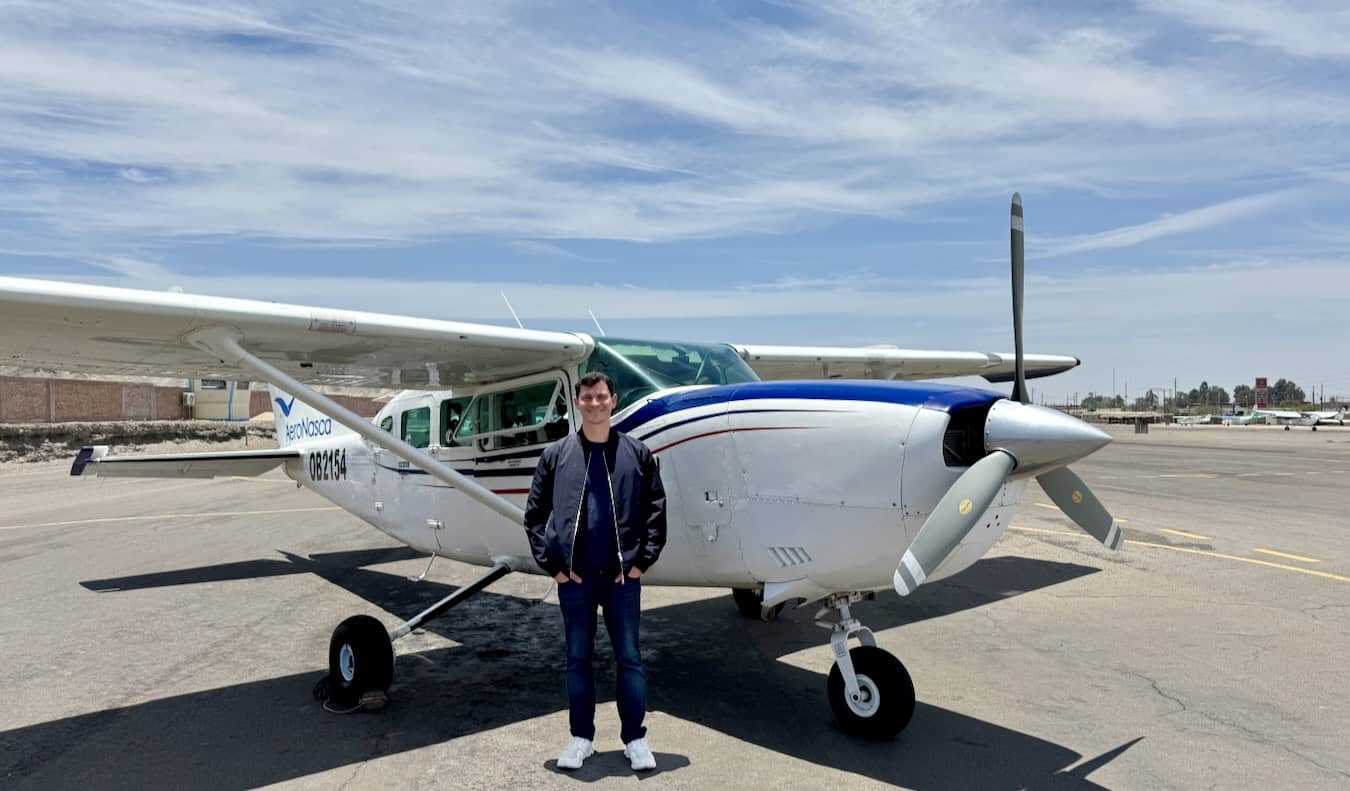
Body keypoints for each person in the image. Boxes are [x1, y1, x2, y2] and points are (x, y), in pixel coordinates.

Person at [523, 371, 667, 772]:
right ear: (577, 403)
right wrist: (554, 567)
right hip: (576, 580)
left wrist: (641, 563)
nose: (594, 404)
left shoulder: (637, 453)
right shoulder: (556, 455)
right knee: (577, 660)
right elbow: (534, 516)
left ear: (613, 400)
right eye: (587, 398)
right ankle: (581, 738)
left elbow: (656, 510)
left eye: (601, 397)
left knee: (630, 659)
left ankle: (635, 739)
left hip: (622, 580)